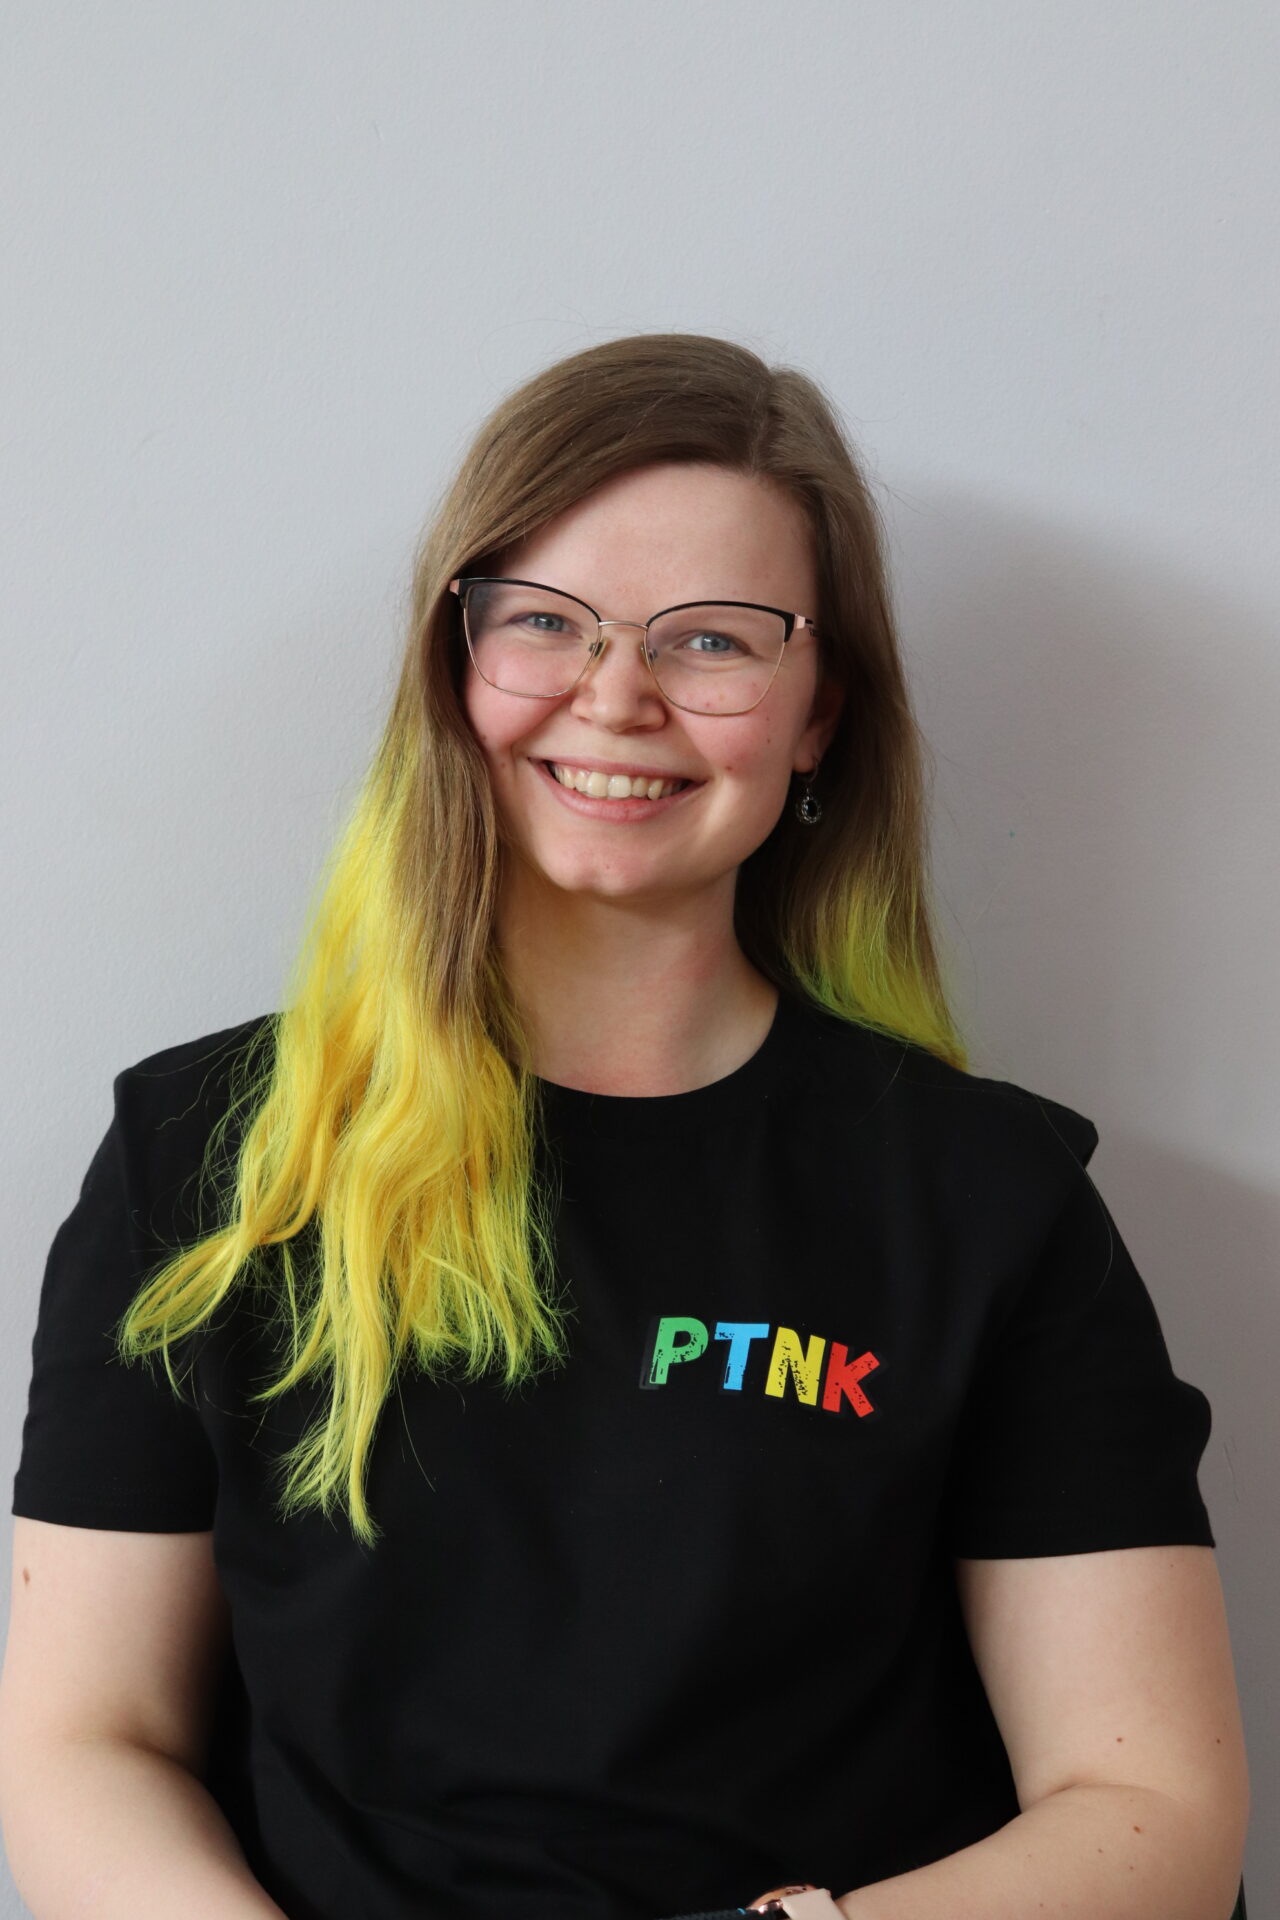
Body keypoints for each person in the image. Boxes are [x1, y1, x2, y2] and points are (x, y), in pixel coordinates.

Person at [0, 334, 1249, 1920]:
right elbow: (83, 1743)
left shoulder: (988, 1200)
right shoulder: (205, 1158)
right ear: (455, 661)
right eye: (545, 621)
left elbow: (1154, 1811)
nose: (616, 697)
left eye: (712, 639)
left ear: (817, 714)